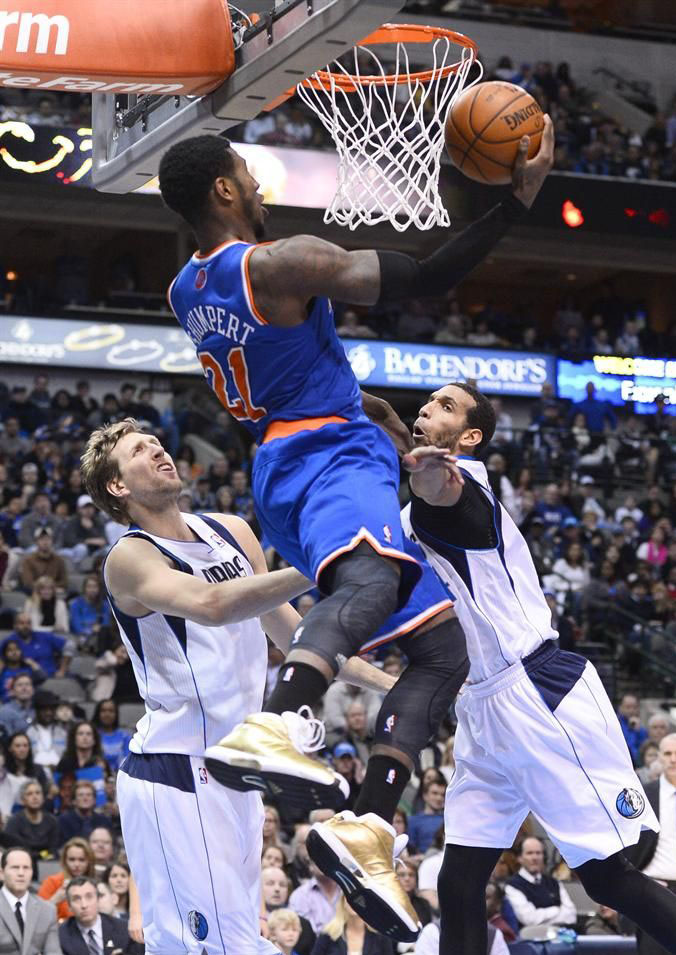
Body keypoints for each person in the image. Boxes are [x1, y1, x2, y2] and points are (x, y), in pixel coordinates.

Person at [157, 119, 552, 939]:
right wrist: (513, 203)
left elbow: (276, 365)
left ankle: (367, 822)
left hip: (289, 460)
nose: (261, 188)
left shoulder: (187, 289)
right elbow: (431, 274)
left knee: (444, 650)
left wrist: (357, 403)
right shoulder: (280, 260)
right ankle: (284, 718)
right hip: (328, 457)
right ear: (226, 191)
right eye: (248, 174)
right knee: (374, 578)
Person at [367, 383, 676, 955]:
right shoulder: (412, 507)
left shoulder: (462, 488)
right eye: (426, 404)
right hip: (481, 709)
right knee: (458, 882)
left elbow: (437, 482)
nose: (427, 409)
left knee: (609, 877)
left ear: (471, 436)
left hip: (536, 690)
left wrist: (425, 469)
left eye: (445, 406)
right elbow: (394, 434)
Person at [80, 418, 393, 955]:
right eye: (139, 450)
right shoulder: (129, 558)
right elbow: (213, 605)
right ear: (118, 486)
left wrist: (391, 684)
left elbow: (298, 636)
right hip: (174, 770)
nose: (157, 448)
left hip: (240, 772)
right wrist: (326, 558)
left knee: (225, 941)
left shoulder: (231, 531)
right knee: (220, 947)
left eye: (157, 441)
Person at [626, 733, 676, 955]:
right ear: (659, 758)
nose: (674, 759)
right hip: (654, 890)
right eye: (668, 753)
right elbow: (627, 845)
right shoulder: (643, 796)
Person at [58, 876, 143, 955]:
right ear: (69, 906)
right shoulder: (61, 936)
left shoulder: (124, 929)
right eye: (76, 899)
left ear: (98, 900)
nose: (84, 905)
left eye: (89, 896)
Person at [504, 837, 576, 929]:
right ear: (519, 858)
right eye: (529, 853)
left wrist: (541, 917)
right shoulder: (513, 885)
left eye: (538, 853)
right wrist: (557, 910)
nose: (534, 858)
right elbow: (529, 919)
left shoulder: (554, 883)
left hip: (560, 937)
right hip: (529, 940)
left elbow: (571, 916)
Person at [0, 847, 60, 955]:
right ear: (2, 873)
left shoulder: (47, 910)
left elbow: (53, 952)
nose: (21, 873)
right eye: (15, 867)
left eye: (26, 868)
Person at [311, 898, 396, 955]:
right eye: (350, 898)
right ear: (343, 902)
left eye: (359, 898)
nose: (354, 902)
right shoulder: (328, 934)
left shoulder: (381, 935)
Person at [38, 836, 95, 921]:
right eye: (72, 859)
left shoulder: (95, 884)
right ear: (65, 861)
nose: (76, 864)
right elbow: (37, 917)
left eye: (81, 860)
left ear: (89, 861)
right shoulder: (51, 882)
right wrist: (56, 898)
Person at [1, 612, 68, 679]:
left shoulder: (44, 636)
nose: (25, 626)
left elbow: (69, 645)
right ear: (15, 625)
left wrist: (62, 670)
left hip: (51, 677)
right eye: (22, 623)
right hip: (22, 681)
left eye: (28, 623)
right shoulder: (8, 642)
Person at [3, 781, 60, 857]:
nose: (35, 797)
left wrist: (41, 856)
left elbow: (54, 850)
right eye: (29, 794)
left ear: (43, 798)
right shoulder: (14, 822)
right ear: (23, 800)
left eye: (38, 793)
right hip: (21, 861)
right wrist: (39, 855)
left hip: (47, 862)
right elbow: (13, 850)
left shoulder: (52, 821)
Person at [91, 700, 131, 773]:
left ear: (116, 714)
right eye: (103, 710)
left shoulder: (125, 736)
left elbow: (128, 762)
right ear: (98, 713)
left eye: (111, 711)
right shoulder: (91, 735)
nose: (107, 714)